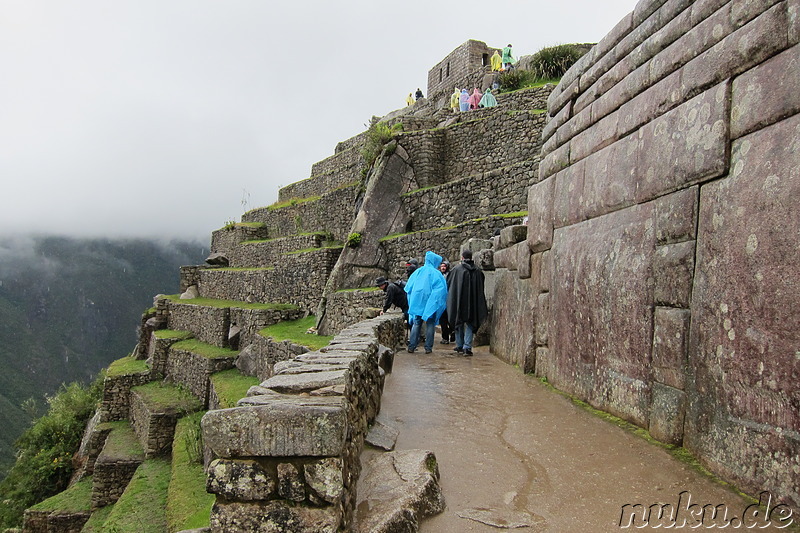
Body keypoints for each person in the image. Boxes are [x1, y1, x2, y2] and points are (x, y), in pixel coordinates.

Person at [405, 251, 448, 354]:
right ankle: (428, 348)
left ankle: (412, 346)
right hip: (430, 302)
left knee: (416, 323)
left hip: (417, 301)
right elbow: (441, 290)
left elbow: (408, 287)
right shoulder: (437, 274)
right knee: (430, 324)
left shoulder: (418, 271)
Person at [446, 249, 488, 356]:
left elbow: (449, 284)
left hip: (458, 301)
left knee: (458, 321)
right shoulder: (478, 271)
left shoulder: (456, 270)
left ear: (462, 258)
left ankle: (460, 345)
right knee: (470, 322)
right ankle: (467, 347)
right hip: (473, 302)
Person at [438, 260, 456, 344]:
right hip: (442, 302)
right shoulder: (439, 276)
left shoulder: (450, 276)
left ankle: (452, 333)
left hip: (449, 301)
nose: (443, 268)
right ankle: (445, 337)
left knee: (450, 318)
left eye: (444, 266)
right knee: (443, 320)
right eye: (441, 266)